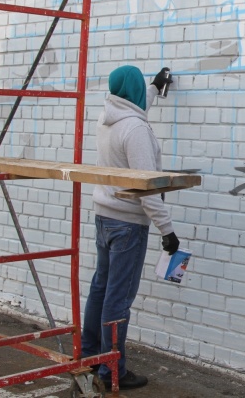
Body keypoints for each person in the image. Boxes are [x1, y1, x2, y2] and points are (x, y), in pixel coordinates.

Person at [81, 65, 178, 391]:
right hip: (127, 224)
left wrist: (153, 87)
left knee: (101, 287)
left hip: (104, 216)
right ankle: (113, 370)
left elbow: (135, 112)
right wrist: (167, 231)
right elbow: (146, 187)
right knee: (117, 299)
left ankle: (92, 355)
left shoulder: (108, 117)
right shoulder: (135, 129)